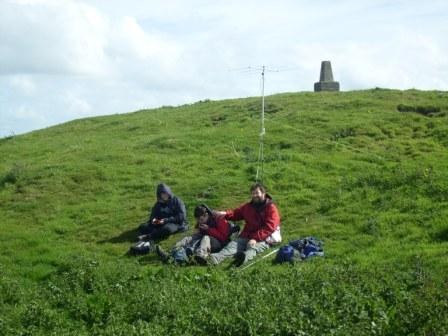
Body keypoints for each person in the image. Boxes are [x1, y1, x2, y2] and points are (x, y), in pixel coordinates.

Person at [210, 182, 281, 266]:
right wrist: (224, 214)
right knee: (232, 246)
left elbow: (269, 227)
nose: (255, 195)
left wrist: (255, 238)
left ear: (263, 193)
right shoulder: (248, 207)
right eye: (253, 193)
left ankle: (243, 258)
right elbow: (235, 214)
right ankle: (214, 258)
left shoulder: (271, 208)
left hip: (263, 238)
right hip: (246, 235)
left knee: (253, 248)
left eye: (257, 193)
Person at [156, 204, 231, 265]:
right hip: (204, 242)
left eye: (201, 220)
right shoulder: (201, 221)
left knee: (206, 237)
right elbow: (197, 232)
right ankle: (170, 253)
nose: (200, 222)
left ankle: (201, 256)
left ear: (206, 215)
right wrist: (197, 230)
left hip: (219, 243)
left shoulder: (218, 218)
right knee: (188, 238)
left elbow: (223, 238)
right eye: (198, 220)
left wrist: (208, 229)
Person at [129, 183, 188, 255]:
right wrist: (155, 221)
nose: (164, 196)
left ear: (168, 192)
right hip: (161, 223)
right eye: (162, 194)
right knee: (142, 227)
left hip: (176, 223)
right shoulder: (158, 204)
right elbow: (152, 217)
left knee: (167, 229)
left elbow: (182, 216)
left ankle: (148, 236)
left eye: (165, 193)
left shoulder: (177, 201)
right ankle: (157, 232)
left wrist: (166, 220)